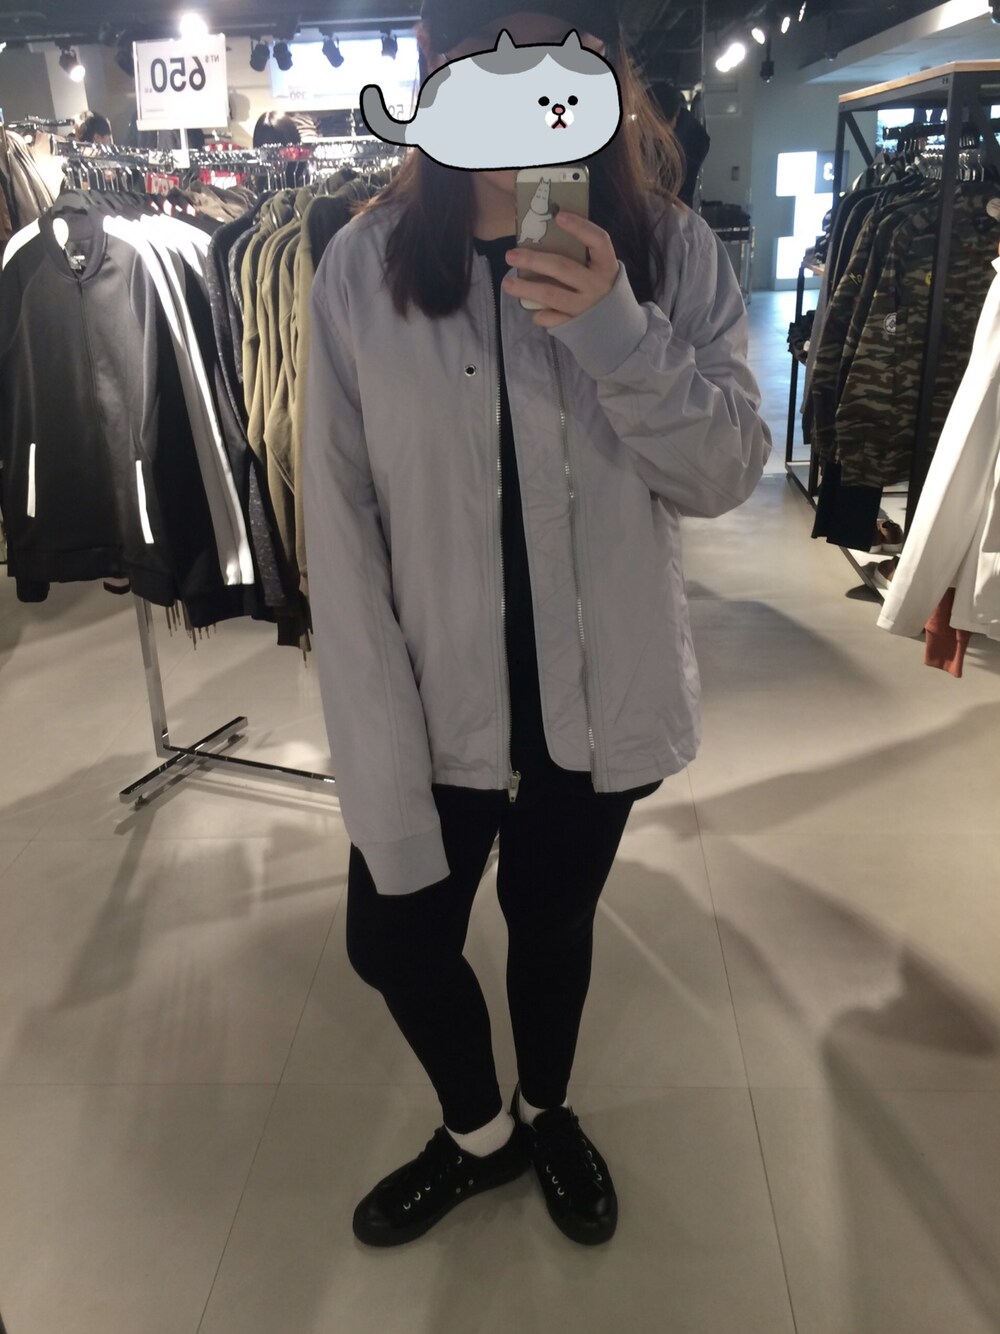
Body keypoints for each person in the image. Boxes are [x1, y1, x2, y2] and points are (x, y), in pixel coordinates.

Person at [303, 0, 771, 1250]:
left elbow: (725, 471)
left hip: (598, 698)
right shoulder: (362, 265)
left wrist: (617, 330)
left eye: (553, 57)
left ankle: (544, 1109)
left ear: (601, 71)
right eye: (482, 59)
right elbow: (338, 529)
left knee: (550, 921)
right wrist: (367, 732)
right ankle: (478, 1134)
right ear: (436, 75)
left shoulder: (668, 250)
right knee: (391, 941)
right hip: (429, 703)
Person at [649, 81, 711, 209]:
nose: (654, 131)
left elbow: (681, 193)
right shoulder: (666, 116)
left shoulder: (693, 142)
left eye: (658, 126)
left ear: (676, 116)